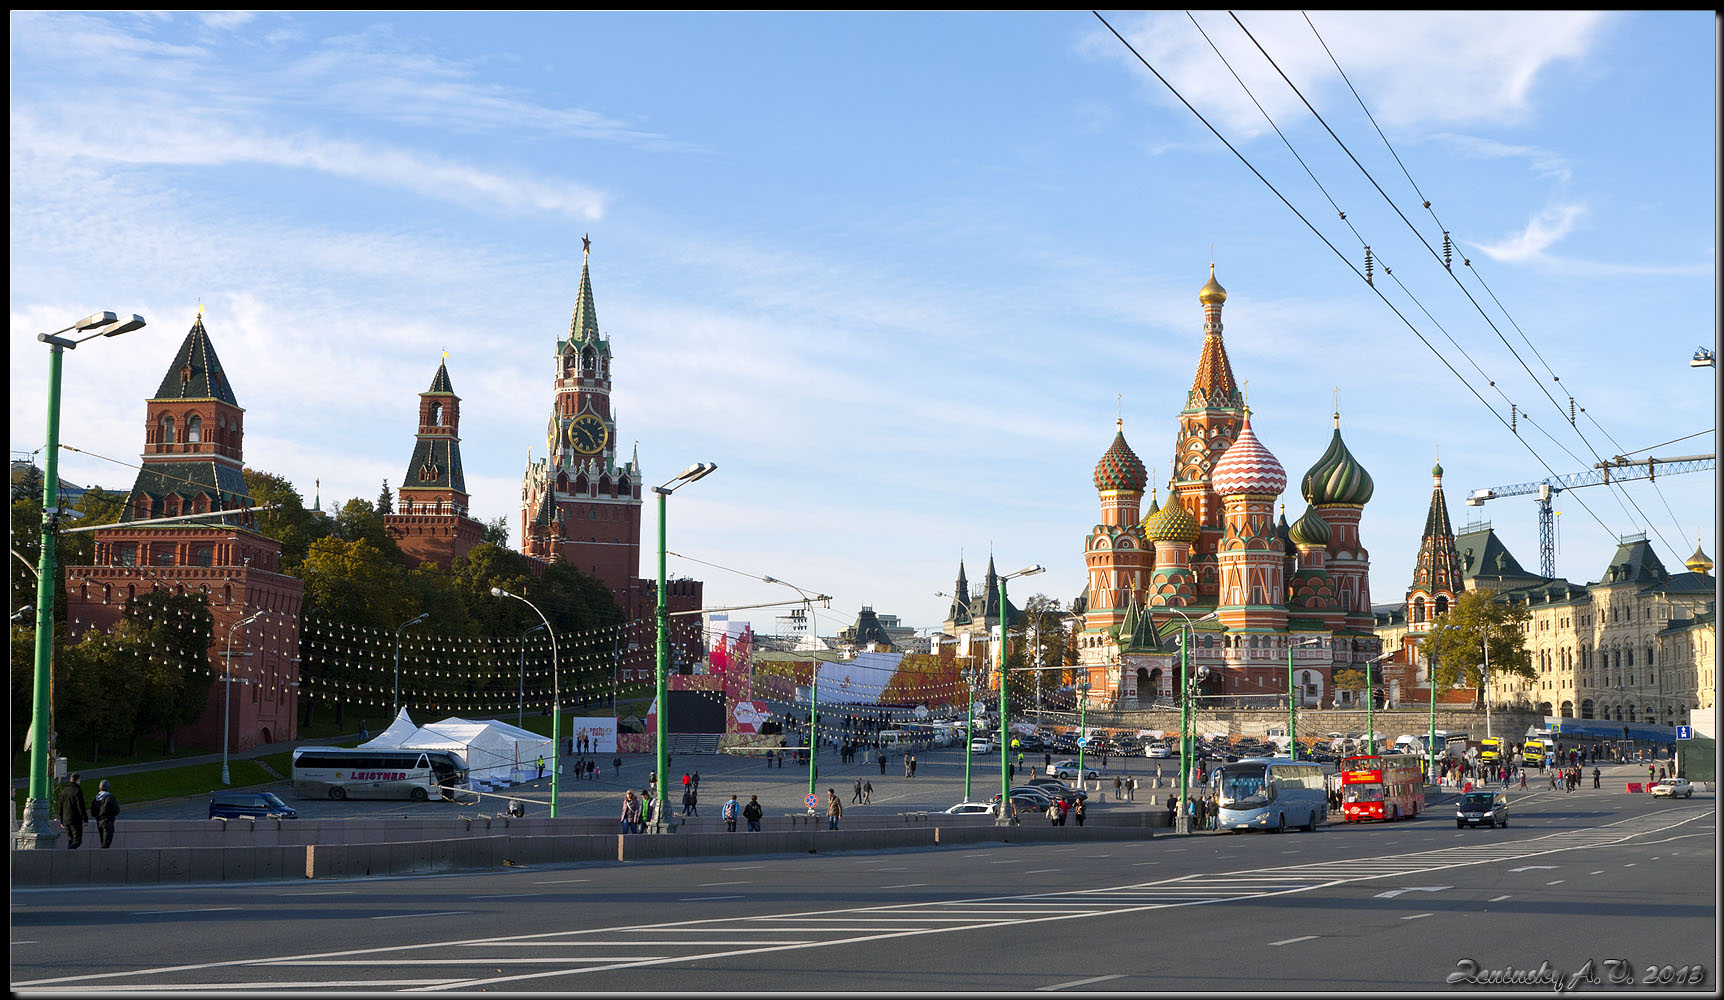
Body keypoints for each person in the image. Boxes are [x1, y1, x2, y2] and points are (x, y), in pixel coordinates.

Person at [57, 773, 87, 849]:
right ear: (77, 780)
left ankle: (68, 857)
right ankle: (67, 853)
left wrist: (61, 821)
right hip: (75, 820)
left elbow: (60, 807)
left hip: (65, 820)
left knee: (70, 839)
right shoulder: (77, 790)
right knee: (77, 841)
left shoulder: (63, 791)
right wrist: (85, 819)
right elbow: (81, 806)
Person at [91, 779, 120, 849]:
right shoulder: (110, 798)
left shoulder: (95, 799)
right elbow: (116, 810)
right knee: (106, 843)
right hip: (108, 821)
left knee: (102, 841)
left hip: (99, 822)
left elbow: (92, 812)